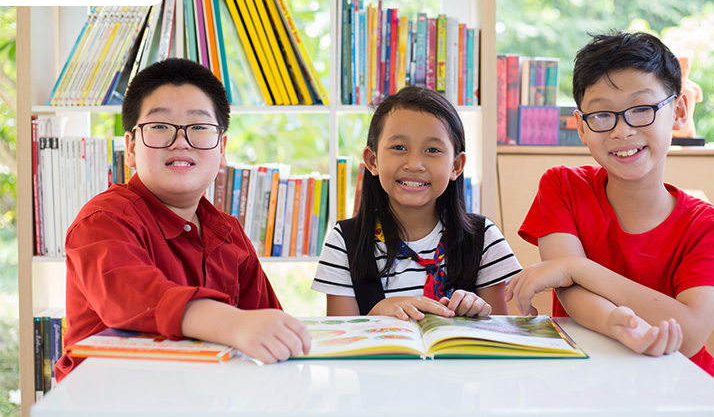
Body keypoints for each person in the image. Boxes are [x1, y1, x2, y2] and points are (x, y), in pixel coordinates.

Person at [505, 32, 714, 391]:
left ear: (678, 112)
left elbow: (689, 335)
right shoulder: (563, 186)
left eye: (642, 109)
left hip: (681, 389)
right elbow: (570, 291)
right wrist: (616, 322)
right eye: (601, 115)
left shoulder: (709, 227)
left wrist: (576, 267)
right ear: (582, 127)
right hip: (584, 381)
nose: (622, 130)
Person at [56, 59, 311, 381]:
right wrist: (234, 324)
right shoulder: (103, 221)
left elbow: (266, 321)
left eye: (199, 127)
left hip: (209, 396)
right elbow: (137, 297)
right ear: (131, 147)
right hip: (111, 400)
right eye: (160, 126)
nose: (180, 141)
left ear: (222, 149)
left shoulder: (228, 233)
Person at [312, 86, 521, 320]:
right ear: (372, 161)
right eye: (399, 148)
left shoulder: (484, 238)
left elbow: (501, 338)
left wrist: (478, 313)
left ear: (456, 166)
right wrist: (376, 314)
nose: (414, 164)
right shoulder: (344, 242)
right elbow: (342, 343)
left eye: (432, 150)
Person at [673, 55, 703, 139]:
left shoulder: (695, 88)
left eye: (686, 65)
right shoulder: (670, 88)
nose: (684, 68)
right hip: (674, 130)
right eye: (681, 65)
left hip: (689, 128)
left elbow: (699, 98)